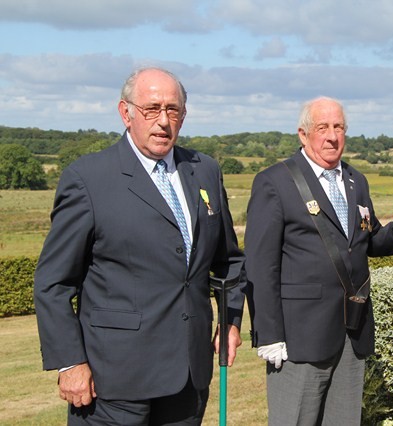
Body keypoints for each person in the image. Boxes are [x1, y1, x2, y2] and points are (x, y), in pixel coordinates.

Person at [33, 67, 246, 425]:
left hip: (189, 379)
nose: (163, 121)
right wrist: (70, 362)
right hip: (113, 382)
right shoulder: (89, 179)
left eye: (173, 109)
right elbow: (52, 283)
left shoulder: (205, 170)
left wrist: (231, 321)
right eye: (151, 109)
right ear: (125, 112)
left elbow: (228, 262)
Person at [244, 96, 393, 425]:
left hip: (352, 331)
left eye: (339, 127)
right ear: (303, 134)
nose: (332, 136)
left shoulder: (356, 181)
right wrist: (269, 334)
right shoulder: (275, 182)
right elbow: (260, 265)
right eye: (323, 128)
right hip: (298, 337)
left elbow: (368, 241)